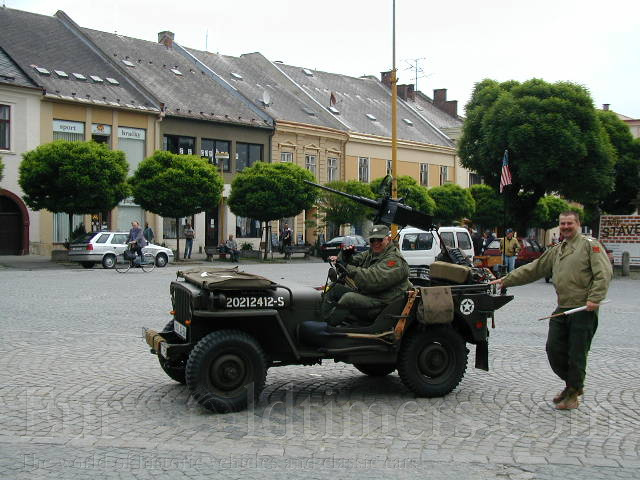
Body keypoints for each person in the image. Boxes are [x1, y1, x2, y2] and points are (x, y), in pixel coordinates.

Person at [491, 211, 612, 410]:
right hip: (563, 307)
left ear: (578, 224)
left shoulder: (590, 245)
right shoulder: (558, 249)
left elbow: (604, 273)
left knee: (577, 354)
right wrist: (507, 280)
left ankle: (572, 394)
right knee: (553, 349)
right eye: (562, 223)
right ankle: (574, 385)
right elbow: (535, 268)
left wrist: (595, 298)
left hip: (582, 309)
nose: (565, 227)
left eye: (569, 223)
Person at [324, 225, 411, 326]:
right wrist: (345, 255)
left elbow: (372, 281)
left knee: (349, 298)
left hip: (383, 304)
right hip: (371, 296)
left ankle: (327, 327)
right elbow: (352, 261)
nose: (376, 243)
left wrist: (347, 267)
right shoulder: (373, 253)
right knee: (334, 289)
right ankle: (321, 319)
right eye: (372, 240)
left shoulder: (394, 260)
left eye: (379, 239)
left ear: (388, 239)